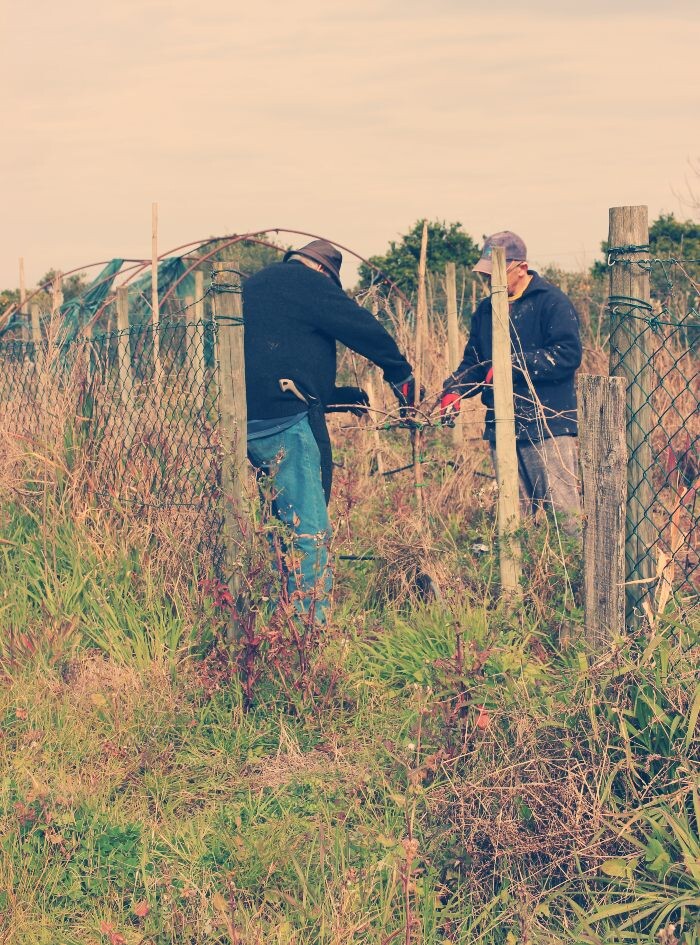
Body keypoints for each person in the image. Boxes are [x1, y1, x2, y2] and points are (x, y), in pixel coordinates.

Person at [243, 239, 418, 621]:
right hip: (287, 424)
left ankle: (278, 620)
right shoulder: (308, 283)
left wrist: (335, 395)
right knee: (308, 532)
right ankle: (308, 631)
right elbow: (361, 328)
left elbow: (276, 358)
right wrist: (401, 374)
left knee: (279, 526)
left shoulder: (255, 285)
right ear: (324, 272)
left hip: (248, 423)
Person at [440, 231, 583, 535]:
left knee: (564, 515)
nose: (489, 281)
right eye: (486, 274)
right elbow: (475, 362)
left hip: (547, 425)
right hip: (502, 424)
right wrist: (455, 389)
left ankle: (573, 576)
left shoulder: (551, 303)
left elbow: (567, 355)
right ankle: (525, 580)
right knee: (514, 517)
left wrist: (510, 366)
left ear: (522, 267)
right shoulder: (485, 311)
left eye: (496, 274)